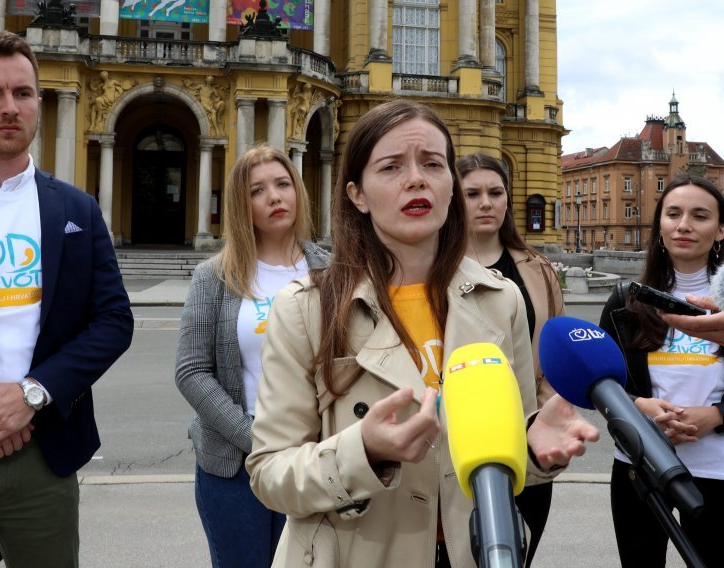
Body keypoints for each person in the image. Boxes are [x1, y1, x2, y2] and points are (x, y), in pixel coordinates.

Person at [246, 100, 598, 568]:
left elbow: (503, 459)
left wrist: (532, 449)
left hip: (474, 549)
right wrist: (364, 451)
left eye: (433, 164)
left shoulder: (501, 299)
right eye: (391, 167)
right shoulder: (306, 307)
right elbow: (270, 472)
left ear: (451, 186)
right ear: (357, 195)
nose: (417, 179)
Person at [0, 31, 133, 567]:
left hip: (44, 450)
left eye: (23, 92)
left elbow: (113, 320)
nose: (10, 107)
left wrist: (32, 393)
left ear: (39, 101)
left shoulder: (78, 210)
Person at [175, 146, 329, 568]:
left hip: (312, 458)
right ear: (242, 205)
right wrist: (255, 437)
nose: (275, 197)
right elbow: (191, 372)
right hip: (234, 467)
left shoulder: (330, 271)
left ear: (298, 191)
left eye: (282, 185)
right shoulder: (216, 275)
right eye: (257, 190)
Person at [598, 173, 724, 567]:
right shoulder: (625, 302)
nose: (684, 225)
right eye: (673, 214)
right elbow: (599, 384)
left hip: (717, 470)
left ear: (720, 230)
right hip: (641, 469)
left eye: (700, 216)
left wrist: (717, 416)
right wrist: (641, 408)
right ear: (659, 228)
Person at [458, 152, 565, 567]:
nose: (486, 202)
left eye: (495, 192)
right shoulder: (435, 268)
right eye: (472, 194)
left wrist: (541, 412)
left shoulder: (537, 269)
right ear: (454, 201)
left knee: (518, 553)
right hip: (461, 439)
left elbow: (554, 347)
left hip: (525, 437)